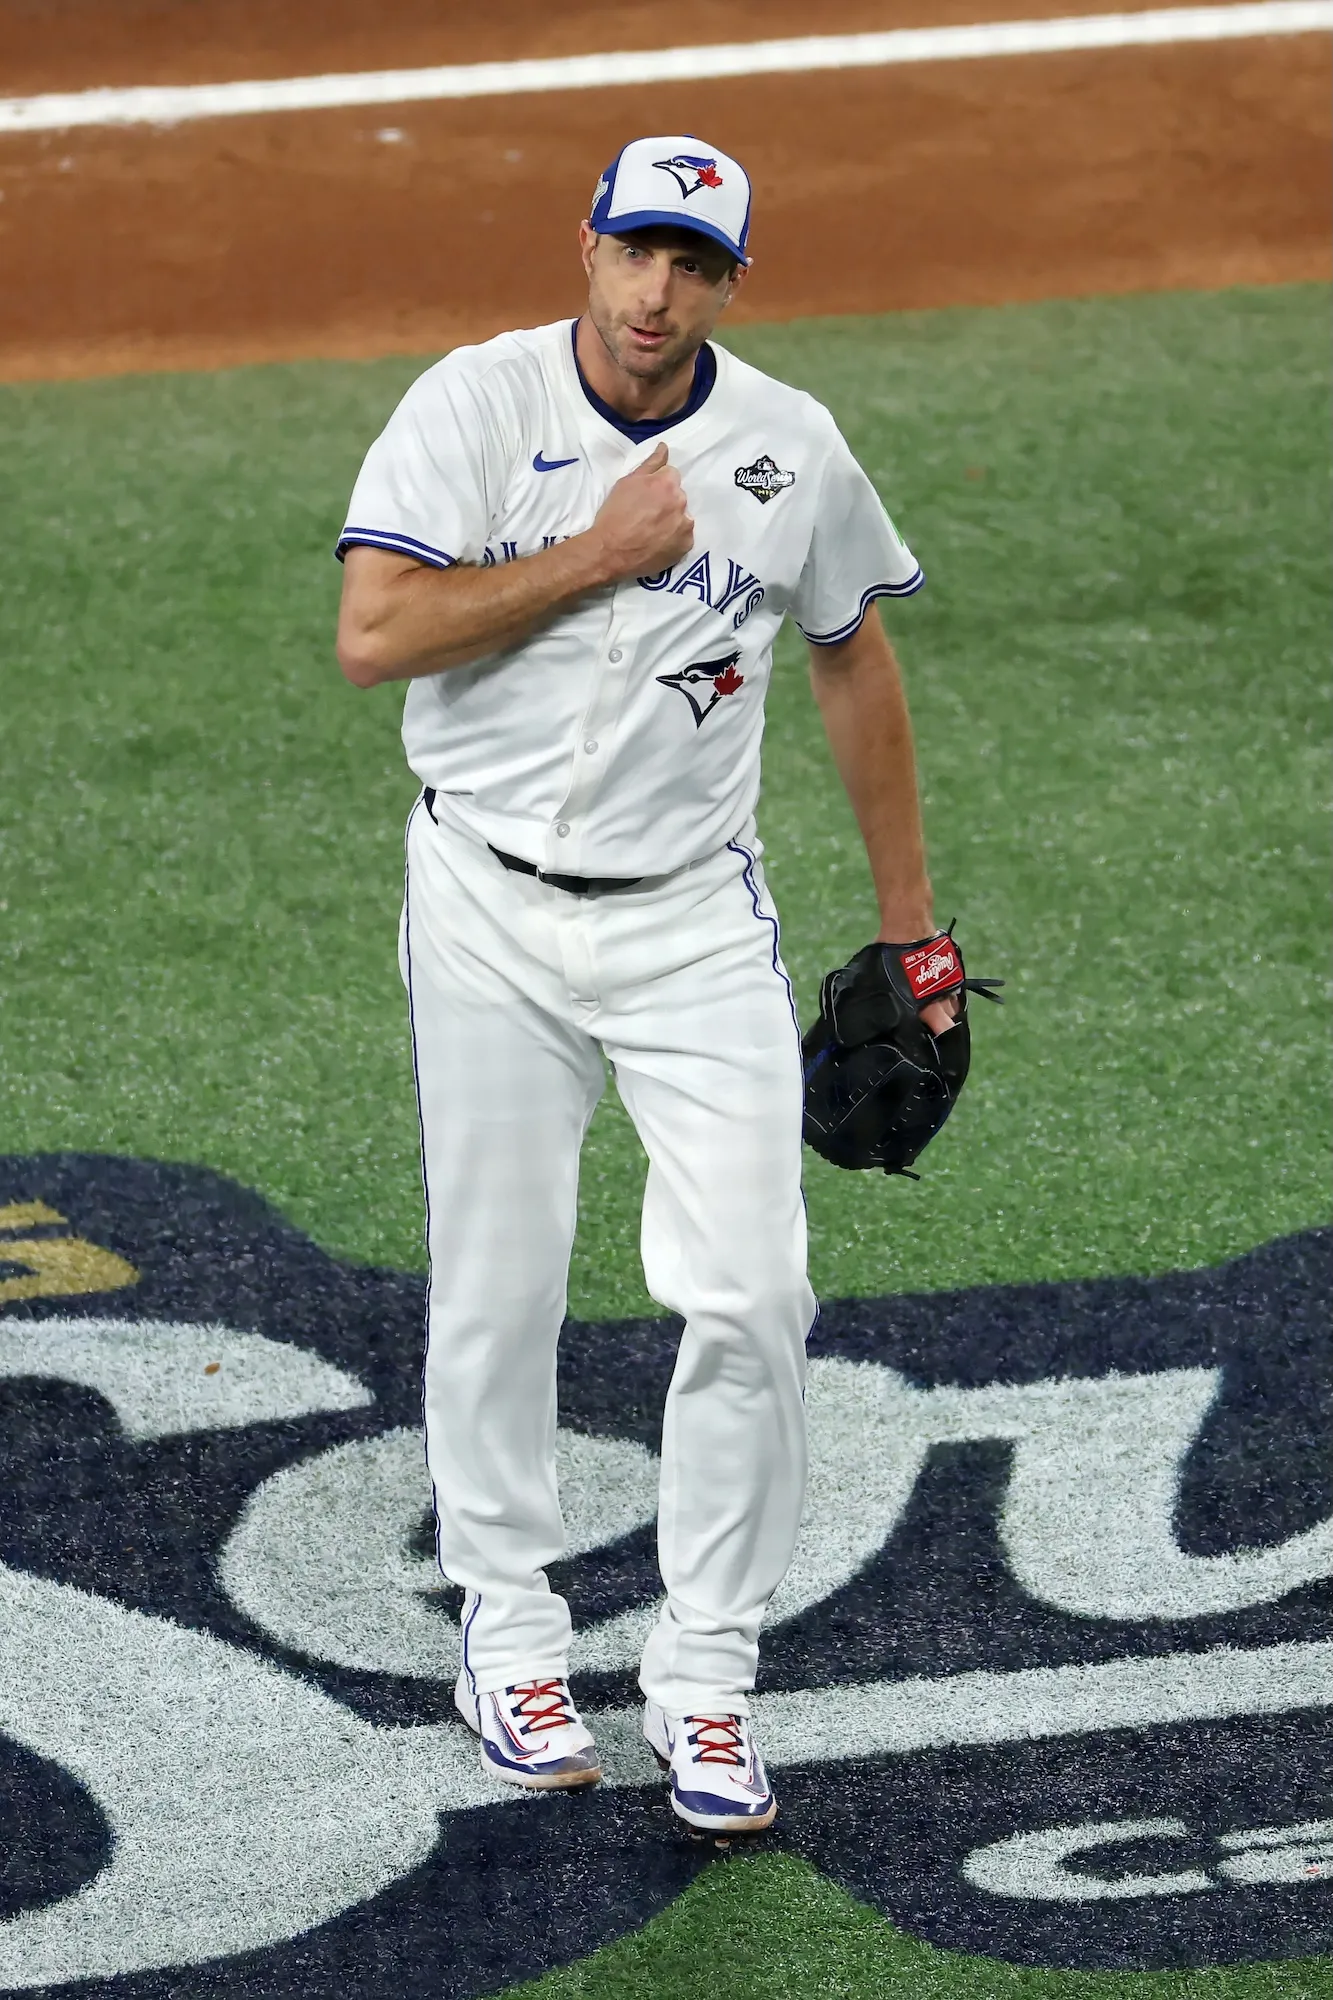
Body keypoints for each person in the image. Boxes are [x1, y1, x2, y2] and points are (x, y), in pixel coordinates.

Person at [335, 134, 952, 1837]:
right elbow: (376, 631)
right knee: (500, 1278)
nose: (655, 291)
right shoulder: (471, 404)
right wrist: (596, 556)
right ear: (587, 245)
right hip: (484, 896)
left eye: (693, 265)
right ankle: (512, 1633)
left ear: (728, 287)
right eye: (635, 252)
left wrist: (913, 929)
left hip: (692, 921)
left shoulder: (790, 447)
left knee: (755, 1295)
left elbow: (851, 656)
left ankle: (709, 1675)